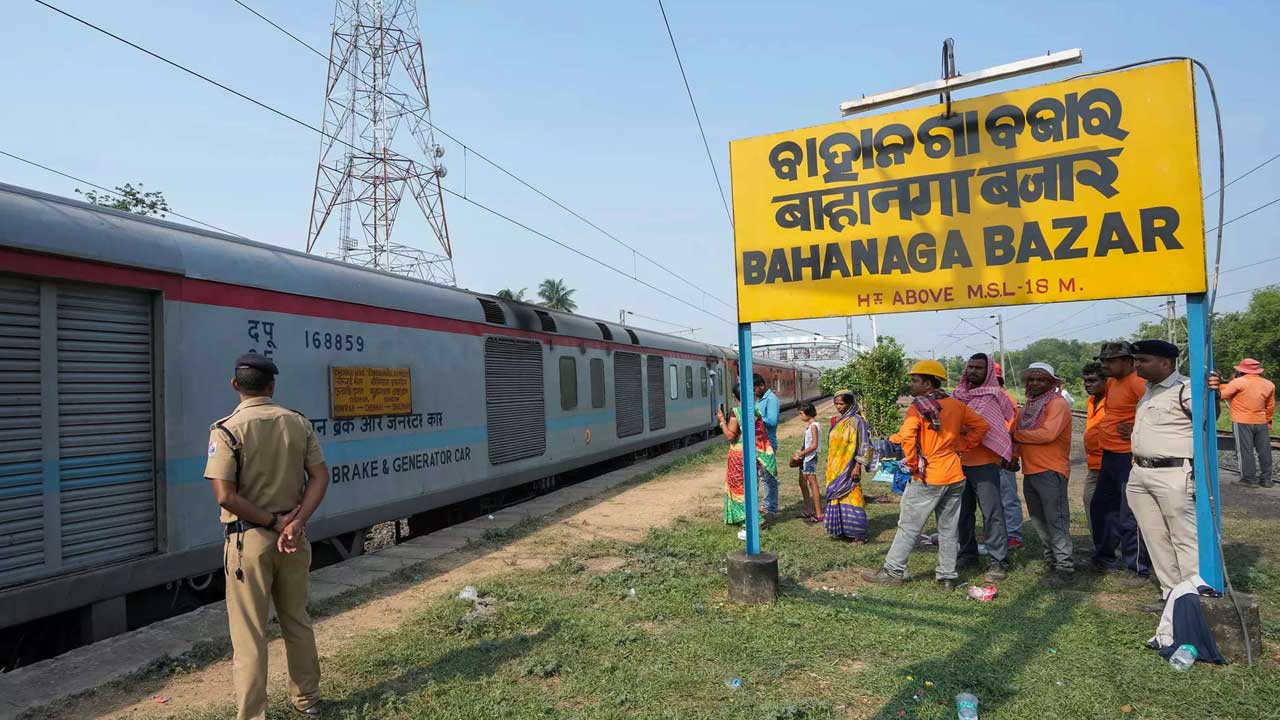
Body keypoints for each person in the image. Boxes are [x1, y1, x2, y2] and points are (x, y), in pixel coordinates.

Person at [205, 353, 329, 720]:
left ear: (234, 386)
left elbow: (225, 495)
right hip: (294, 540)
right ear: (272, 386)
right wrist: (294, 523)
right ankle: (307, 701)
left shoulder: (226, 430)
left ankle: (253, 714)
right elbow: (320, 477)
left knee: (249, 636)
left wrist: (273, 523)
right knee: (297, 621)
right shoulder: (297, 423)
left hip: (249, 544)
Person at [863, 360, 988, 591]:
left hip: (928, 476)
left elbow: (908, 439)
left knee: (909, 526)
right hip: (954, 475)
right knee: (949, 528)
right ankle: (947, 577)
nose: (911, 384)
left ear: (928, 383)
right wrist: (962, 444)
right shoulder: (956, 406)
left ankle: (893, 571)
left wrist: (912, 465)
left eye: (915, 380)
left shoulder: (917, 408)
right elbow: (981, 426)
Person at [1129, 339, 1199, 607]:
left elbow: (1207, 419)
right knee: (1155, 538)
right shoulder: (1149, 390)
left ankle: (1193, 599)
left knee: (1184, 537)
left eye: (1143, 360)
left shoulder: (1187, 389)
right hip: (1141, 473)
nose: (1137, 366)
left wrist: (1213, 396)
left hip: (1173, 474)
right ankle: (1171, 596)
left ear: (1166, 363)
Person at [1090, 341, 1151, 584]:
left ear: (1128, 361)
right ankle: (1105, 556)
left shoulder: (1138, 382)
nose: (1105, 365)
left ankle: (1138, 567)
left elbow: (1155, 413)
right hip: (1111, 454)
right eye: (1103, 361)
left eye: (1110, 361)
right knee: (1102, 508)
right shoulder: (1113, 382)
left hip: (1129, 456)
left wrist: (1137, 428)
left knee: (1129, 513)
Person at [954, 353, 1016, 582]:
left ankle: (998, 560)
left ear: (988, 371)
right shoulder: (958, 396)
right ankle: (967, 554)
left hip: (984, 463)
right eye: (970, 367)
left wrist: (1008, 451)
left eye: (978, 368)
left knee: (992, 513)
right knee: (962, 513)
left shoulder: (996, 396)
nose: (972, 371)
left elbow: (1008, 424)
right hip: (959, 462)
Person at [1013, 363, 1075, 583]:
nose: (1035, 383)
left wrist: (1017, 436)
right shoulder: (1031, 405)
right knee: (1039, 520)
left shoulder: (1056, 403)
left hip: (1051, 470)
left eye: (1041, 380)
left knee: (1056, 520)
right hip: (1031, 470)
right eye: (1031, 379)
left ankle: (1065, 567)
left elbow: (1047, 434)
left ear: (1052, 382)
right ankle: (1052, 561)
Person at [717, 385, 778, 527]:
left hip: (738, 455)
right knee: (749, 485)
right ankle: (750, 516)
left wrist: (722, 421)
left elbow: (731, 436)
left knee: (738, 486)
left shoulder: (736, 412)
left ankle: (748, 519)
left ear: (735, 397)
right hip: (751, 453)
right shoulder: (755, 411)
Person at [823, 391, 877, 542]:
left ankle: (859, 535)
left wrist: (857, 466)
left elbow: (864, 444)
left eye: (841, 404)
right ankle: (841, 530)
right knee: (836, 497)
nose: (838, 407)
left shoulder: (857, 421)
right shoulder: (837, 421)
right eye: (836, 404)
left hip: (849, 467)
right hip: (834, 468)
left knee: (853, 497)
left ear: (850, 404)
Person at [1212, 358, 1275, 487]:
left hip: (1242, 421)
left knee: (1244, 450)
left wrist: (1214, 385)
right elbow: (1270, 405)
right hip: (1261, 421)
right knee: (1264, 450)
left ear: (1241, 370)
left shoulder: (1238, 382)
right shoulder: (1269, 384)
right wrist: (1268, 421)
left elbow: (1221, 395)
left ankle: (1249, 479)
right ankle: (1267, 479)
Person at [994, 362, 1026, 550]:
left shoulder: (1005, 399)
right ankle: (1000, 531)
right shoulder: (990, 397)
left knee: (1007, 496)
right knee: (993, 497)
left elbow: (1010, 429)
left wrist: (1012, 454)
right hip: (988, 456)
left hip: (1003, 455)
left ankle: (1013, 535)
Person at [1081, 362, 1108, 533]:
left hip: (1110, 461)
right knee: (1089, 501)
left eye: (1093, 380)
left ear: (1106, 380)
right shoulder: (1091, 401)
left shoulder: (1114, 400)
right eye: (1085, 381)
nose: (1088, 384)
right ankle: (1099, 543)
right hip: (1094, 464)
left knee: (1110, 507)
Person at [753, 374, 781, 515]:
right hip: (759, 443)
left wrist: (756, 418)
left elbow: (772, 421)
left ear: (762, 386)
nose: (753, 392)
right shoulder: (760, 400)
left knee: (769, 476)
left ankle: (772, 508)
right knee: (763, 476)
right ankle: (766, 504)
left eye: (754, 389)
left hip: (768, 443)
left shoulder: (771, 400)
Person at [792, 402, 824, 523]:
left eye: (801, 414)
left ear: (807, 413)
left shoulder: (814, 426)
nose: (800, 416)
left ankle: (819, 513)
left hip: (810, 458)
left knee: (812, 483)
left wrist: (801, 453)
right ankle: (808, 509)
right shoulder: (811, 426)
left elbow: (814, 445)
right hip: (805, 457)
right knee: (802, 482)